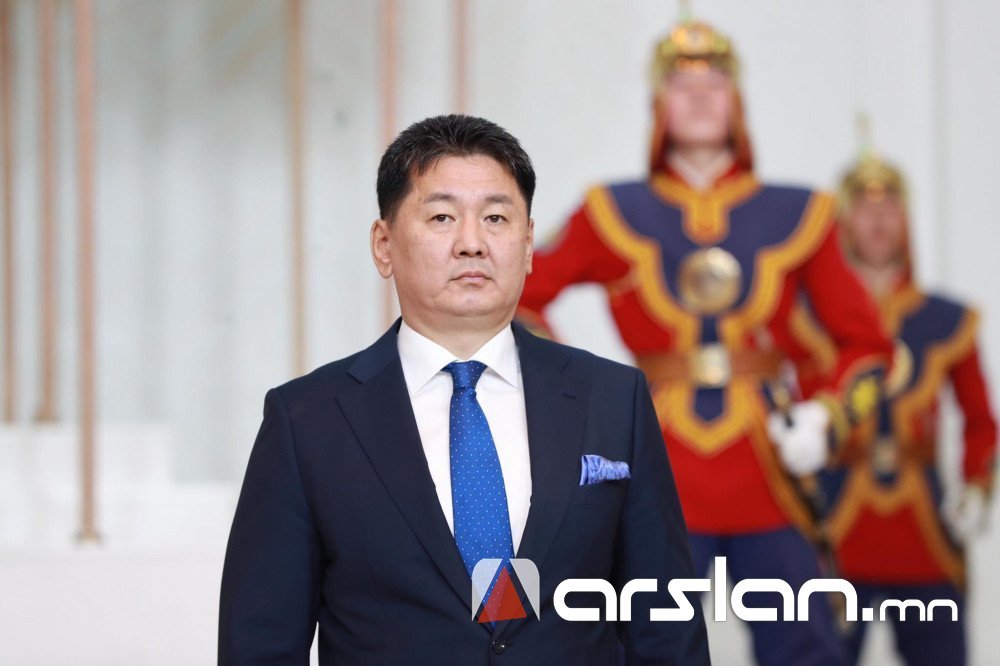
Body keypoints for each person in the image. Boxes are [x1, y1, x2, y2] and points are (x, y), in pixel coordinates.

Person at [218, 114, 711, 665]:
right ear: (383, 245)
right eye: (442, 217)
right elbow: (261, 645)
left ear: (528, 245)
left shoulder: (614, 399)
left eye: (496, 218)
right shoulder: (307, 419)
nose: (472, 243)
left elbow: (667, 629)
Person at [516, 17, 893, 666]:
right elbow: (516, 296)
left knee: (805, 646)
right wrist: (580, 401)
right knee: (651, 645)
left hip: (771, 465)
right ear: (657, 105)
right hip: (654, 460)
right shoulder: (610, 209)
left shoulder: (803, 211)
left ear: (737, 101)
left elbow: (868, 344)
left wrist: (828, 419)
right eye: (680, 83)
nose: (697, 94)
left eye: (714, 82)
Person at [810, 148, 997, 666]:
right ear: (843, 221)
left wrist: (977, 488)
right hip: (836, 529)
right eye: (864, 207)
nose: (878, 219)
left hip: (924, 534)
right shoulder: (809, 316)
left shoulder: (947, 320)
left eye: (890, 206)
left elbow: (981, 422)